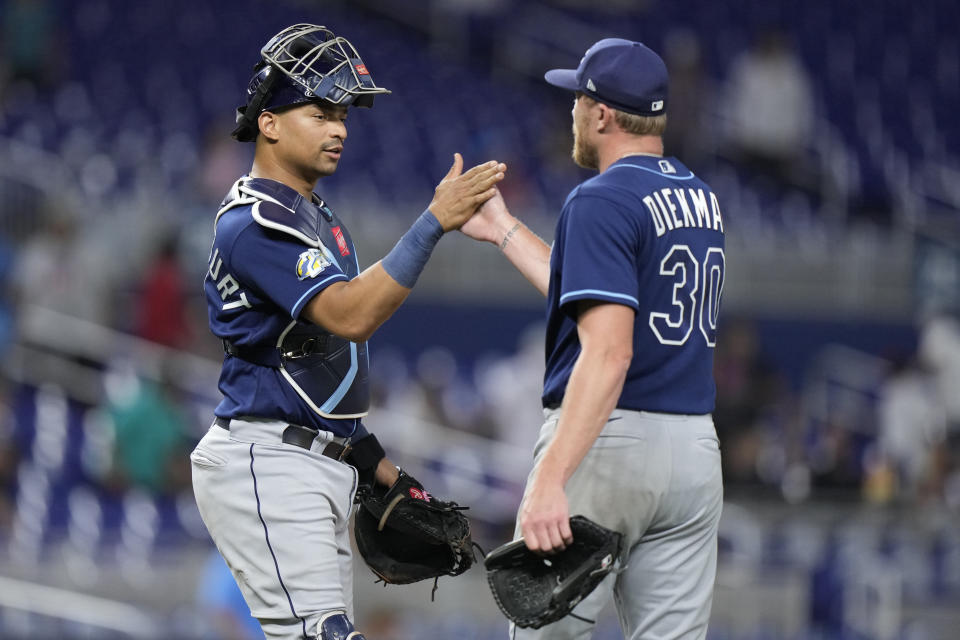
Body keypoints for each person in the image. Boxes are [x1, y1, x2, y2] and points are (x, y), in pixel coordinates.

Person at [189, 24, 504, 640]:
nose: (340, 127)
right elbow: (351, 315)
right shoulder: (253, 220)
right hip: (268, 460)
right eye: (320, 110)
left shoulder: (316, 217)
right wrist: (434, 221)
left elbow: (317, 375)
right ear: (269, 122)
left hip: (312, 457)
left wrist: (384, 472)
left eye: (343, 113)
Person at [461, 38, 726, 639]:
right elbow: (591, 291)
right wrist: (503, 228)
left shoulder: (600, 198)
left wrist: (552, 475)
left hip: (610, 441)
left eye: (577, 99)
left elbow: (609, 351)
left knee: (543, 631)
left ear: (601, 113)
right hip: (691, 450)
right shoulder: (699, 197)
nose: (571, 111)